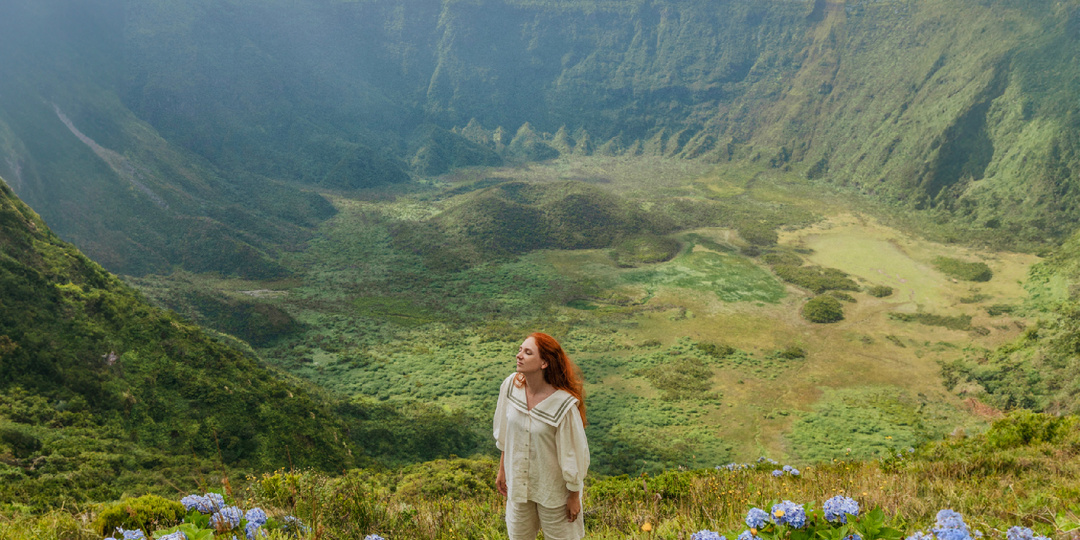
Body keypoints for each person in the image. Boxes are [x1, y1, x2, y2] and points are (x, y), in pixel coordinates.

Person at [493, 332, 590, 540]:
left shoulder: (563, 405)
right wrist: (502, 470)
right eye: (520, 350)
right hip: (518, 485)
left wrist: (574, 495)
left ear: (544, 362)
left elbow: (573, 452)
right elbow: (505, 433)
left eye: (527, 353)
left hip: (554, 491)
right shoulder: (511, 386)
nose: (519, 355)